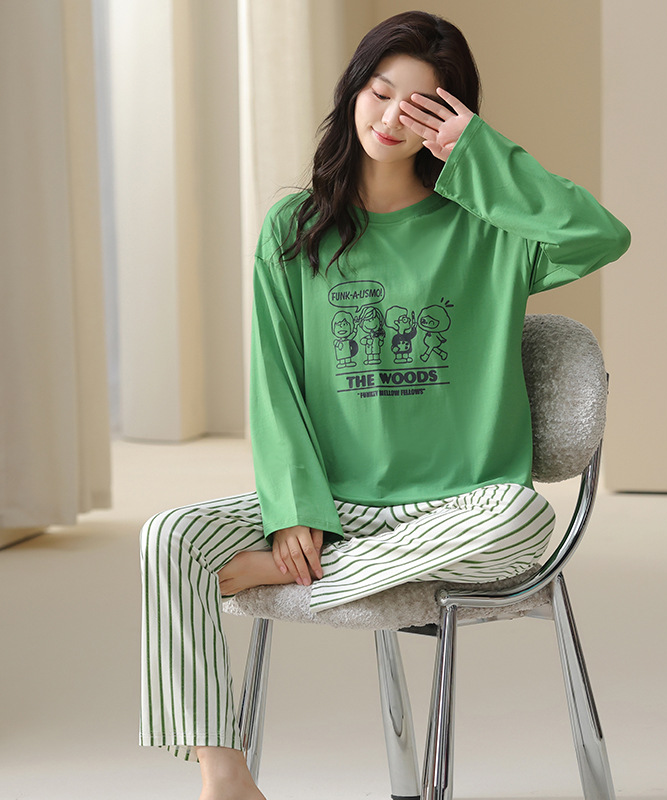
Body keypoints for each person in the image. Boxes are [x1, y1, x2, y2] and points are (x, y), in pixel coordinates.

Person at [139, 10, 630, 800]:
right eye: (380, 90)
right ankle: (224, 777)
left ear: (453, 120)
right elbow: (275, 383)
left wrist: (480, 155)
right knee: (169, 538)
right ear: (353, 92)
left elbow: (600, 236)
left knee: (521, 520)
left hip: (461, 508)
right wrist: (295, 509)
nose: (394, 116)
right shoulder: (294, 230)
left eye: (423, 105)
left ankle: (289, 577)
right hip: (336, 506)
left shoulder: (492, 229)